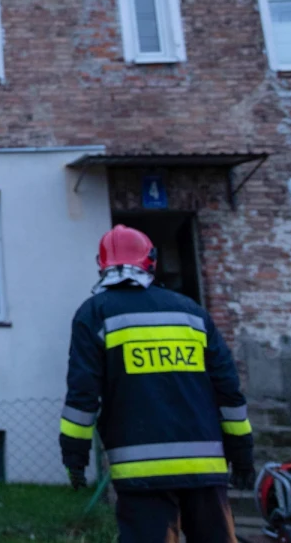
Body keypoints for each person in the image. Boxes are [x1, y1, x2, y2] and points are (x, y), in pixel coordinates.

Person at [59, 225, 255, 543]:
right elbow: (229, 391)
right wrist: (242, 453)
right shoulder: (192, 313)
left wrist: (74, 456)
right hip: (205, 467)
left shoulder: (94, 315)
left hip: (140, 472)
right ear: (150, 261)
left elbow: (83, 397)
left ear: (102, 264)